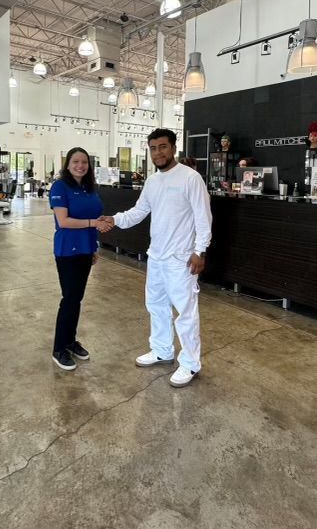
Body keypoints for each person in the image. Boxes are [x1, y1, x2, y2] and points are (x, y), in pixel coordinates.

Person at [97, 128, 212, 388]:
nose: (158, 152)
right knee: (156, 306)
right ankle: (162, 350)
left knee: (185, 312)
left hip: (181, 259)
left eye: (162, 147)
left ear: (173, 148)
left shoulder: (190, 178)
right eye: (153, 148)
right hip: (157, 256)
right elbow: (138, 212)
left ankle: (190, 363)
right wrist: (114, 219)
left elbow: (204, 219)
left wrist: (200, 251)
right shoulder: (152, 182)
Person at [49, 148, 103, 371]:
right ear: (68, 164)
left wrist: (94, 246)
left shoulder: (89, 188)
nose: (80, 165)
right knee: (69, 298)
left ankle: (70, 341)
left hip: (85, 249)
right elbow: (63, 221)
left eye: (84, 162)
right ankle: (59, 348)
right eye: (75, 161)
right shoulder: (60, 186)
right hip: (67, 250)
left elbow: (97, 218)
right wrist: (93, 224)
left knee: (77, 298)